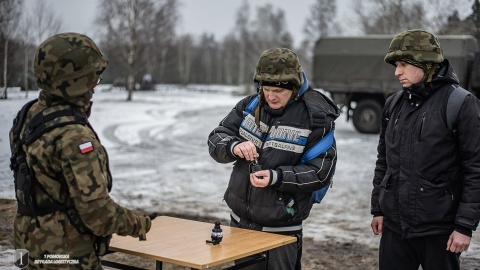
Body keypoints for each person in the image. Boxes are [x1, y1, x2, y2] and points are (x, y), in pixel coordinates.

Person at [9, 32, 152, 269]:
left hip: (26, 243)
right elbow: (98, 214)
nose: (95, 86)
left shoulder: (29, 116)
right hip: (63, 253)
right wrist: (139, 224)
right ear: (76, 82)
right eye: (92, 78)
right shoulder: (74, 137)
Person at [208, 47, 340, 269]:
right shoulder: (250, 105)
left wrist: (277, 177)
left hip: (281, 233)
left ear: (294, 86)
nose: (270, 96)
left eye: (278, 91)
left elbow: (321, 172)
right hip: (240, 224)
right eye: (266, 89)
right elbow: (216, 137)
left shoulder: (315, 117)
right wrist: (234, 146)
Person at [370, 29, 480, 270]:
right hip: (395, 228)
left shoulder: (461, 103)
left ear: (426, 63)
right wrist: (378, 208)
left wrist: (464, 226)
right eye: (396, 65)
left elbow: (475, 168)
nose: (397, 72)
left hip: (439, 231)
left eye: (403, 64)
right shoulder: (393, 104)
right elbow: (383, 161)